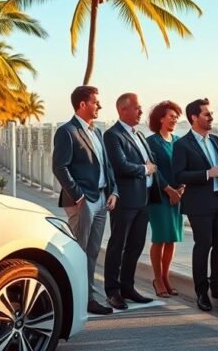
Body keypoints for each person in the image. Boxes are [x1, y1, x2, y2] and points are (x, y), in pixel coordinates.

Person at [51, 86, 119, 316]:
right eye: (95, 102)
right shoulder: (66, 131)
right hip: (82, 200)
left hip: (101, 198)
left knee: (92, 251)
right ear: (82, 104)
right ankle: (75, 298)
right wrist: (78, 195)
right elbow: (59, 166)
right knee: (78, 250)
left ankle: (87, 296)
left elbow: (107, 165)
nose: (99, 106)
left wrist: (114, 191)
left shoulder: (97, 132)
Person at [172, 98, 218, 311]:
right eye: (207, 114)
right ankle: (201, 292)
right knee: (203, 245)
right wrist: (206, 174)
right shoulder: (182, 144)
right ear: (194, 117)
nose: (211, 117)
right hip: (199, 203)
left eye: (211, 114)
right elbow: (179, 175)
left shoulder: (216, 140)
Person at [103, 93, 160, 309]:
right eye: (137, 108)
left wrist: (150, 168)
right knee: (118, 245)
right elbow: (120, 166)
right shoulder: (112, 135)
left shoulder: (140, 135)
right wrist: (145, 169)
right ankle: (113, 291)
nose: (141, 111)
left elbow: (151, 160)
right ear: (123, 110)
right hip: (125, 200)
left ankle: (128, 287)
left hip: (143, 200)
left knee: (136, 246)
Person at [145, 101, 185, 297]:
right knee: (160, 237)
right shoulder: (151, 142)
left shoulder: (178, 141)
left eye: (177, 117)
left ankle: (166, 277)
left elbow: (184, 167)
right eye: (171, 116)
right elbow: (153, 169)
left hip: (178, 195)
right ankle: (157, 279)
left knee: (172, 239)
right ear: (161, 118)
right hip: (159, 196)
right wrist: (169, 190)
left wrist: (181, 189)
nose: (175, 119)